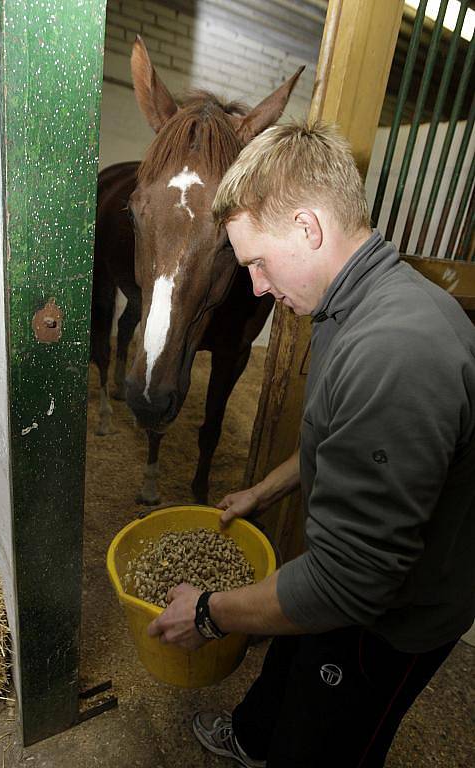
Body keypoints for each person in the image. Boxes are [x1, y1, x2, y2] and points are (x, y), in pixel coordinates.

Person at [147, 122, 475, 767]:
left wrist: (208, 614)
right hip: (343, 573)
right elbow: (341, 435)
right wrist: (264, 490)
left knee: (326, 742)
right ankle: (252, 738)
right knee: (290, 666)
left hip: (394, 615)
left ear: (306, 227)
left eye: (256, 263)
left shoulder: (396, 351)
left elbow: (351, 584)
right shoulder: (345, 305)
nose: (259, 288)